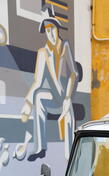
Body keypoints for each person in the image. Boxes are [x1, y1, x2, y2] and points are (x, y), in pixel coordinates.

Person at [21, 6, 78, 161]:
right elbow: (37, 81)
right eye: (47, 30)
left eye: (52, 28)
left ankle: (70, 155)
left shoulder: (65, 46)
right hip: (52, 96)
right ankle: (40, 147)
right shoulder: (43, 52)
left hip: (64, 96)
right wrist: (27, 101)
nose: (50, 33)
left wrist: (67, 98)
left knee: (68, 117)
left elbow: (74, 73)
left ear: (57, 29)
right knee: (39, 96)